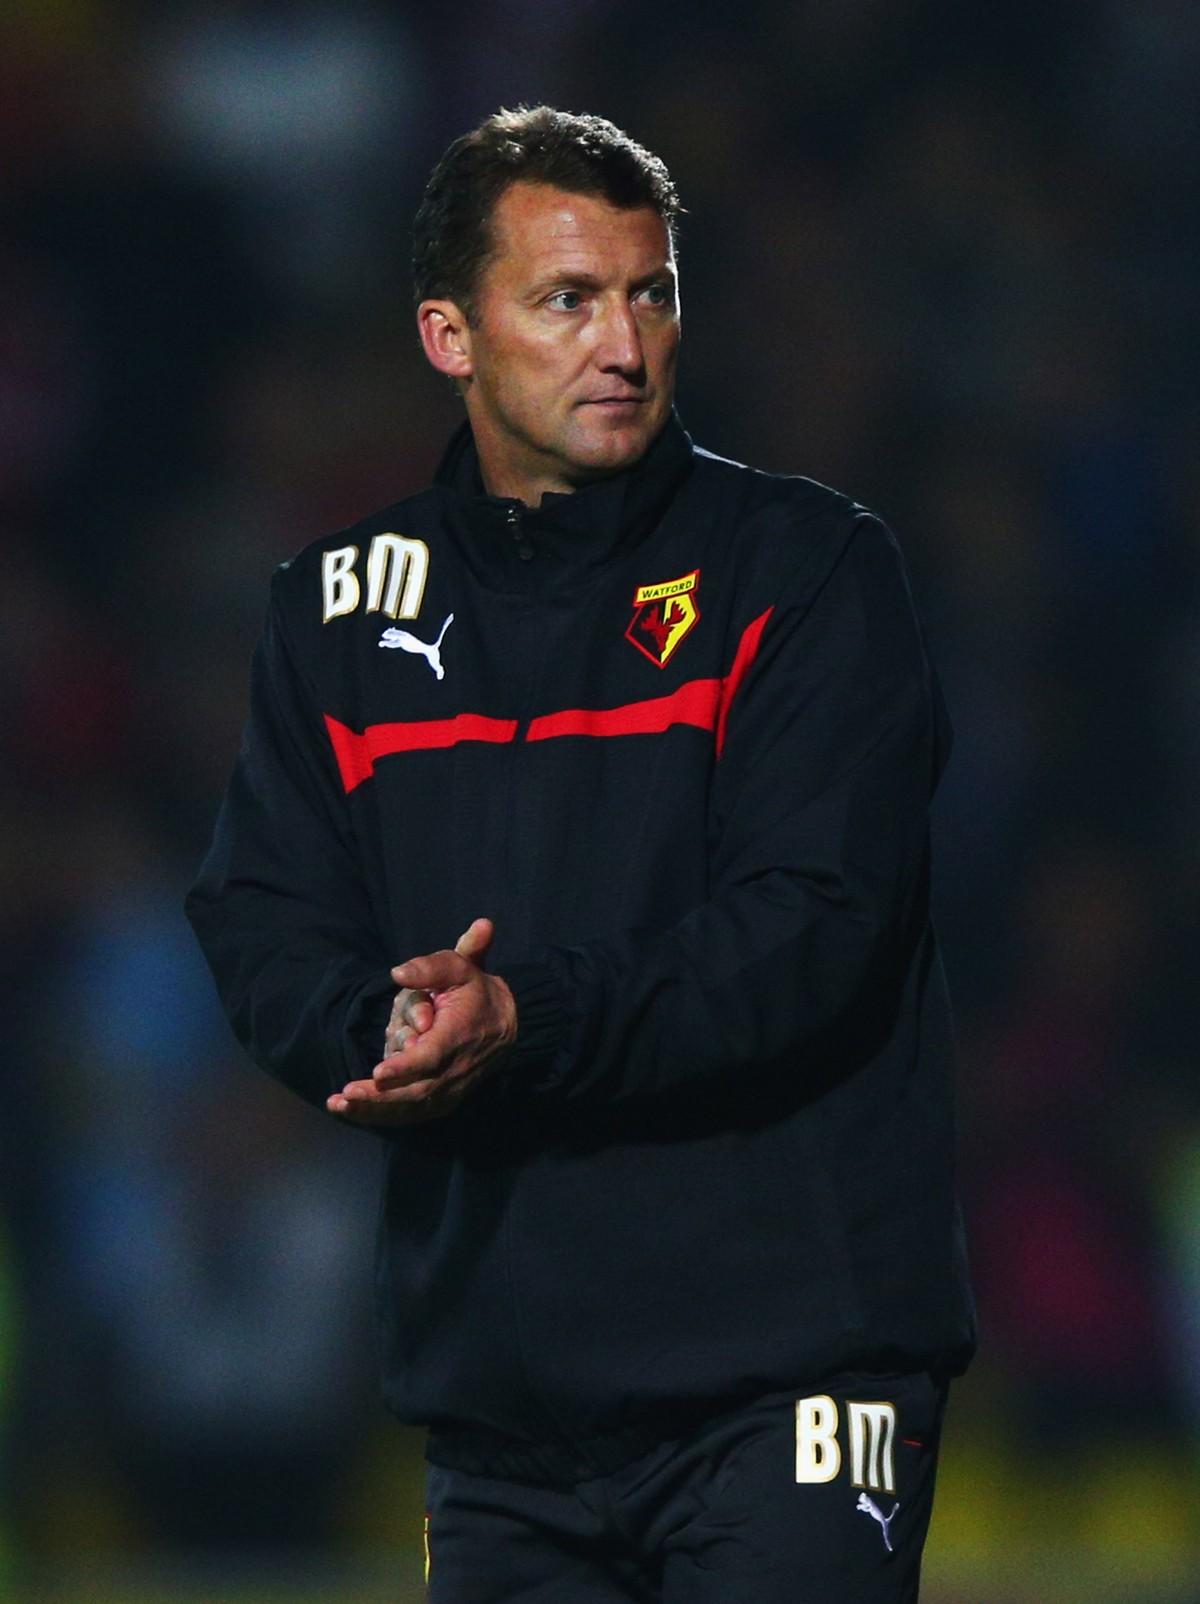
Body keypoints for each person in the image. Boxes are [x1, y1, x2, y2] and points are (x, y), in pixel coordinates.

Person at [186, 105, 975, 1603]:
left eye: (649, 294)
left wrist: (525, 1017)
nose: (623, 344)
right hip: (504, 1416)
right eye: (567, 299)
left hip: (793, 1379)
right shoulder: (333, 614)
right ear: (449, 335)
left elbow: (814, 927)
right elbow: (260, 913)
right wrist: (386, 1028)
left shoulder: (806, 572)